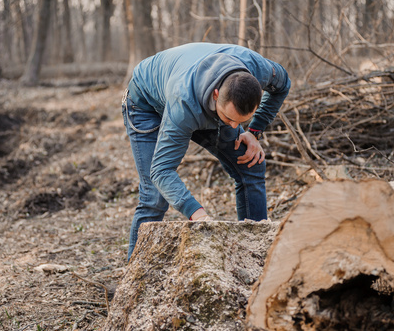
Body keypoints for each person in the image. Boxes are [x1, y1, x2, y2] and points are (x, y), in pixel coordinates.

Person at [122, 42, 291, 261]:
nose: (234, 126)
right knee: (154, 195)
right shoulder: (184, 104)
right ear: (216, 94)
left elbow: (283, 84)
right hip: (145, 105)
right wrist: (195, 212)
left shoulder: (257, 69)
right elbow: (161, 170)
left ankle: (257, 259)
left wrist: (254, 131)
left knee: (250, 162)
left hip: (199, 100)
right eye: (230, 118)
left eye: (240, 121)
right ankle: (133, 277)